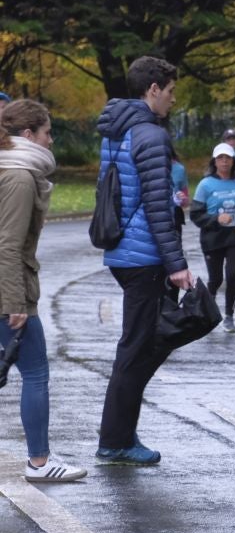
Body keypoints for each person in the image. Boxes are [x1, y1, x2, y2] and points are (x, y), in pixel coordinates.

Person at [95, 56, 196, 466]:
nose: (173, 100)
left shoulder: (115, 131)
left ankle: (121, 429)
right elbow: (157, 206)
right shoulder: (150, 136)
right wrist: (176, 263)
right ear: (152, 89)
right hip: (146, 257)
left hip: (122, 250)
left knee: (140, 343)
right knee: (137, 347)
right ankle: (116, 438)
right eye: (170, 92)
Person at [0, 99, 87, 483]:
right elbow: (8, 245)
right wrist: (15, 302)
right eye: (48, 132)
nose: (51, 141)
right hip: (8, 292)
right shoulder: (18, 176)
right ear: (28, 135)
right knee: (35, 372)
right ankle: (39, 462)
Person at [190, 143, 235, 334]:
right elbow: (195, 214)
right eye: (220, 158)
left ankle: (229, 317)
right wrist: (216, 219)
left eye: (228, 158)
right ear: (214, 161)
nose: (224, 161)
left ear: (233, 161)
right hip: (213, 239)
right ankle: (208, 312)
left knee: (232, 276)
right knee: (215, 279)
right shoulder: (205, 184)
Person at [170, 149, 190, 233]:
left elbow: (185, 200)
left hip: (175, 214)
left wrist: (183, 199)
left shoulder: (180, 169)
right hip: (157, 214)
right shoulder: (152, 166)